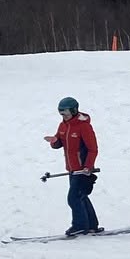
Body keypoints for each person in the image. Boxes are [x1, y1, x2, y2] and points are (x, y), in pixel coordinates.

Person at [46, 96, 100, 237]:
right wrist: (54, 141)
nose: (63, 116)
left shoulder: (84, 126)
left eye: (66, 113)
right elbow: (59, 142)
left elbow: (92, 149)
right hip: (72, 169)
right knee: (81, 197)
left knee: (73, 198)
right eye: (61, 113)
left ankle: (80, 226)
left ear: (74, 110)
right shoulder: (63, 125)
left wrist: (88, 166)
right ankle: (92, 226)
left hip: (82, 169)